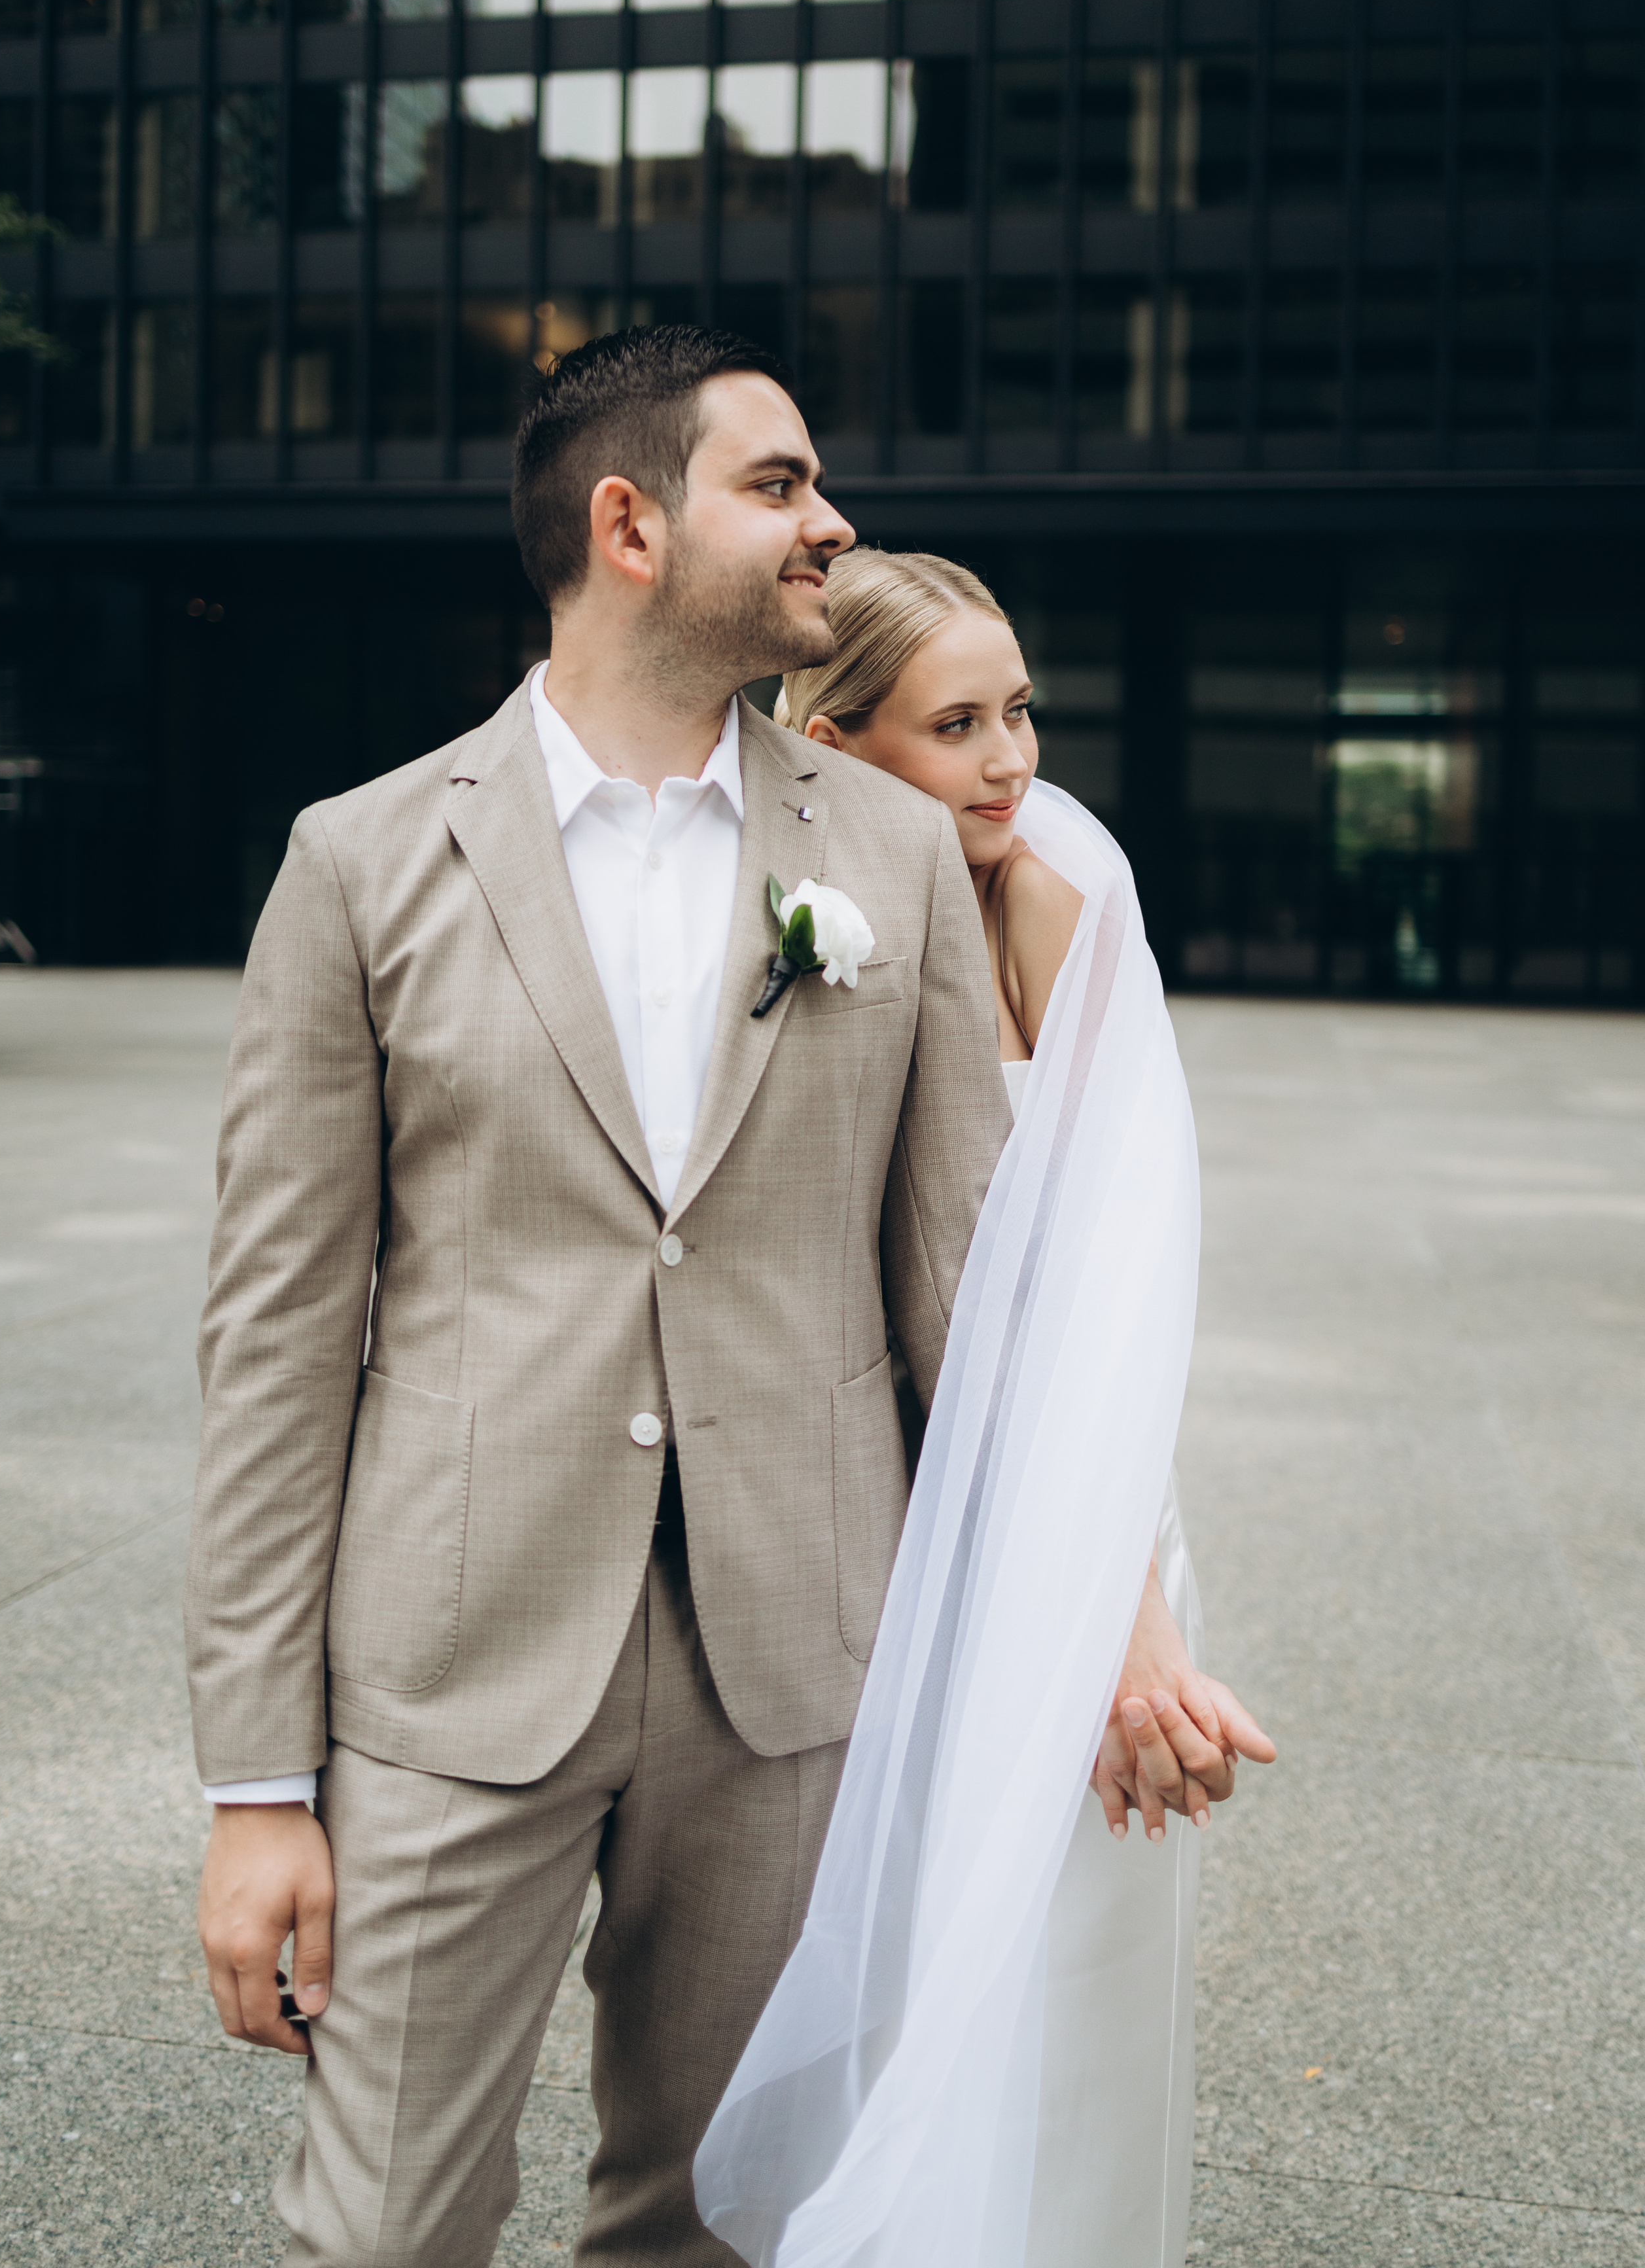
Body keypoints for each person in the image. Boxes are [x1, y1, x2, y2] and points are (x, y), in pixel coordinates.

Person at [184, 328, 1016, 2265]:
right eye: (781, 484)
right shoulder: (358, 861)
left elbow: (967, 1290)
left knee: (717, 2223)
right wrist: (257, 1787)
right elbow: (276, 1345)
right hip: (451, 1670)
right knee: (380, 2230)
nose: (833, 524)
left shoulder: (894, 853)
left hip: (794, 1671)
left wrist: (1081, 1629)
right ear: (630, 525)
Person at [694, 552, 1275, 2268]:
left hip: (1084, 1496)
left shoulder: (1068, 903)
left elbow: (1095, 1301)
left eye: (1021, 710)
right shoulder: (769, 921)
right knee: (892, 1966)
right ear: (835, 745)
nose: (1014, 759)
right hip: (862, 1525)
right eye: (958, 726)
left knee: (1075, 1981)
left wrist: (1124, 1618)